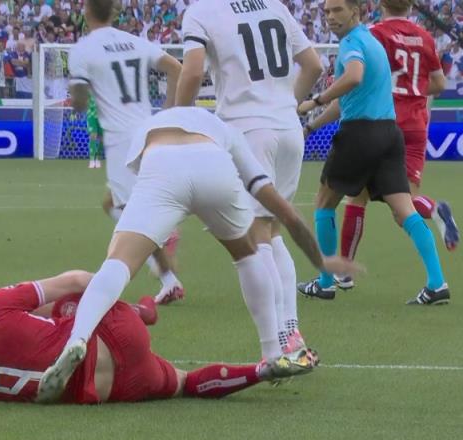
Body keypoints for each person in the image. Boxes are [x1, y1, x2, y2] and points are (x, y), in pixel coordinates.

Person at [36, 107, 362, 403]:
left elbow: (138, 188)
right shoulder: (228, 132)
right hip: (214, 166)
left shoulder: (149, 126)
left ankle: (77, 339)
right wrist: (321, 262)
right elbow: (284, 211)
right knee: (247, 254)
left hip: (160, 164)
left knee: (118, 262)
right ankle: (272, 353)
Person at [176, 0, 325, 360]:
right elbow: (314, 65)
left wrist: (178, 122)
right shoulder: (273, 5)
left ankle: (281, 343)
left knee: (254, 236)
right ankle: (291, 333)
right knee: (272, 231)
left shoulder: (201, 11)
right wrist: (285, 106)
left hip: (248, 131)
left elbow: (192, 72)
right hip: (288, 129)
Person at [0, 271, 292, 403]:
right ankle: (141, 312)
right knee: (69, 298)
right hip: (112, 337)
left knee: (184, 383)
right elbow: (76, 280)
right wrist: (114, 298)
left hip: (108, 390)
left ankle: (261, 372)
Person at [296, 0, 450, 305]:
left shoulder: (353, 43)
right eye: (326, 12)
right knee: (404, 210)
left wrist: (314, 101)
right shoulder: (373, 43)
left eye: (337, 10)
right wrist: (311, 127)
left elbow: (353, 77)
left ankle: (326, 282)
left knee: (324, 203)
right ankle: (437, 283)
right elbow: (347, 99)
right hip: (390, 135)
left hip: (359, 134)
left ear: (356, 10)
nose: (330, 17)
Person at [66, 0, 184, 304]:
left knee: (132, 215)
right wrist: (167, 113)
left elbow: (79, 102)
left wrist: (78, 93)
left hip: (122, 143)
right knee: (112, 203)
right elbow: (176, 68)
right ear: (114, 12)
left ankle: (164, 255)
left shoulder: (84, 49)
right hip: (150, 132)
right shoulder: (134, 41)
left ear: (86, 12)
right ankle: (167, 270)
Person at [86, 96, 102, 169]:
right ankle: (92, 159)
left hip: (102, 115)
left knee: (102, 138)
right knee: (93, 136)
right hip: (91, 115)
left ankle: (98, 158)